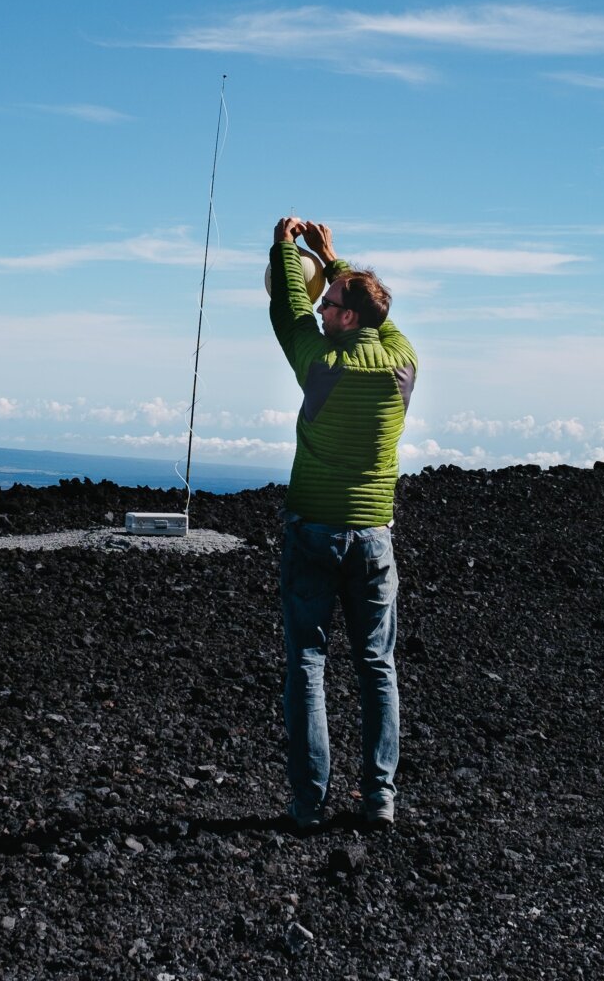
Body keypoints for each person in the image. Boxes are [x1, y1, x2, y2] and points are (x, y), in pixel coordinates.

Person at [267, 216, 416, 831]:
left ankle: (309, 805)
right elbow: (376, 315)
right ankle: (379, 798)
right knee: (377, 665)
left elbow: (287, 309)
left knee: (307, 661)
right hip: (374, 538)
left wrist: (285, 246)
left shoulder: (322, 361)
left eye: (332, 302)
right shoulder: (403, 361)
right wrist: (331, 255)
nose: (323, 306)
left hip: (314, 532)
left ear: (348, 319)